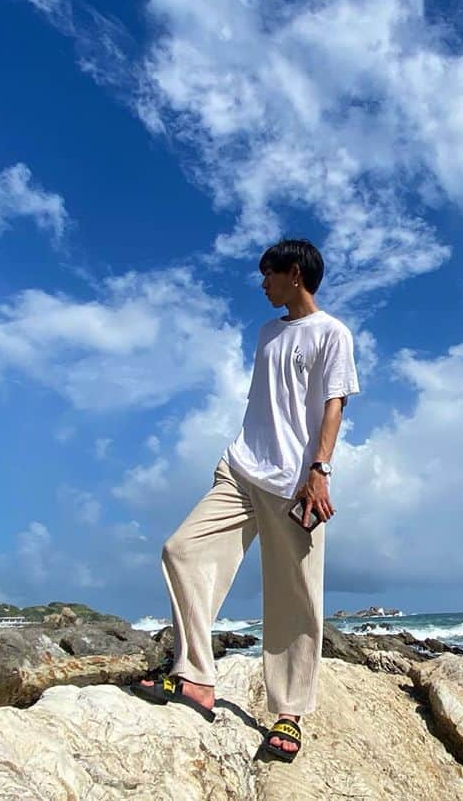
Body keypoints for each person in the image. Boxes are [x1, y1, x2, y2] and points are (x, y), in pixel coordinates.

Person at [133, 239, 360, 762]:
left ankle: (289, 712)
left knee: (295, 596)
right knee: (181, 551)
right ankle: (194, 677)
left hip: (295, 483)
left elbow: (334, 406)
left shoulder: (332, 333)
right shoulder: (266, 333)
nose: (263, 284)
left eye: (269, 274)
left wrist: (319, 471)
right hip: (240, 468)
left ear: (295, 274)